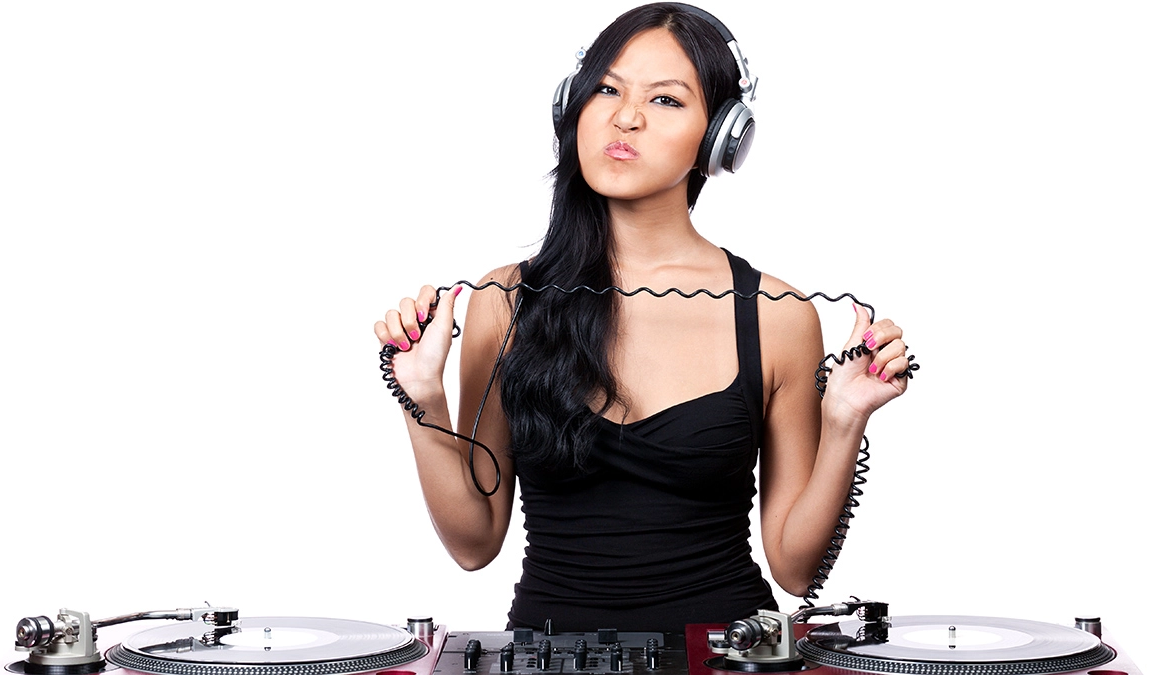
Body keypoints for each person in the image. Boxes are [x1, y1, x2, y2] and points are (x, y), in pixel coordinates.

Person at [374, 3, 910, 633]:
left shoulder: (777, 316)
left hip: (728, 657)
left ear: (719, 140)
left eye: (666, 100)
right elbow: (474, 543)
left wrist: (844, 420)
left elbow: (795, 570)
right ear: (572, 108)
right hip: (547, 653)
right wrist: (422, 400)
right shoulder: (505, 300)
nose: (625, 117)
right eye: (607, 89)